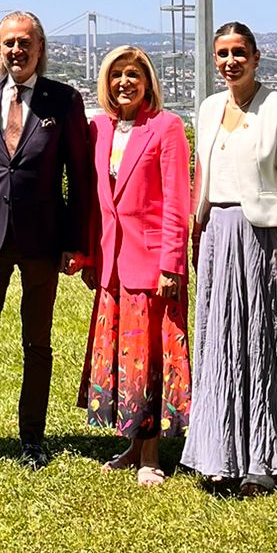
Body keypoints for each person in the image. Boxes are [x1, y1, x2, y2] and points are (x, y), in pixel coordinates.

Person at [181, 21, 277, 494]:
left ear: (255, 57)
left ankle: (262, 460)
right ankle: (219, 451)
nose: (230, 62)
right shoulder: (209, 108)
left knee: (260, 342)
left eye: (239, 53)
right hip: (217, 232)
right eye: (223, 54)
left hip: (263, 236)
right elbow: (204, 175)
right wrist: (197, 231)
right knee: (220, 343)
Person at [0, 11, 91, 469]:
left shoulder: (64, 100)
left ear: (39, 47)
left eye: (24, 42)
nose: (16, 50)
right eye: (8, 42)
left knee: (37, 343)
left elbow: (80, 177)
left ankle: (32, 437)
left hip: (42, 241)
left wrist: (74, 240)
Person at [77, 44, 191, 486]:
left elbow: (177, 202)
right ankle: (132, 445)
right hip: (111, 262)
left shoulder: (166, 127)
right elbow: (96, 202)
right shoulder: (99, 129)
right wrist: (90, 256)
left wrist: (171, 265)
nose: (124, 82)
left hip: (152, 264)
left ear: (147, 82)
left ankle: (151, 455)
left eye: (133, 75)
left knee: (150, 359)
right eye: (116, 74)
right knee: (126, 360)